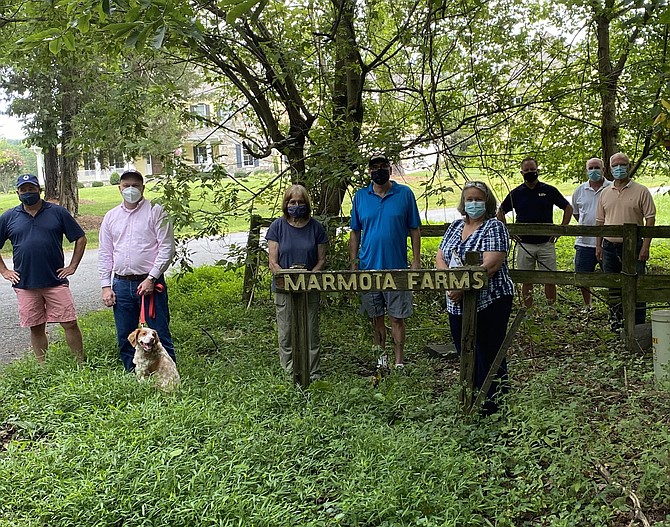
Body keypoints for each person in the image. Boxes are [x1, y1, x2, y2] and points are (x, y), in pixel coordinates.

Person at [436, 181, 514, 414]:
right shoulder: (454, 227)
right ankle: (470, 399)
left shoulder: (494, 227)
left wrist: (462, 286)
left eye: (478, 199)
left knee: (488, 353)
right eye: (469, 199)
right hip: (456, 303)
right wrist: (449, 282)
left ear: (487, 202)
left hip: (490, 301)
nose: (473, 203)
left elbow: (491, 264)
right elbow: (441, 256)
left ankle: (493, 405)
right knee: (465, 352)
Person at [0, 174, 86, 363]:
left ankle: (80, 363)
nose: (28, 193)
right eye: (24, 190)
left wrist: (72, 266)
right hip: (25, 284)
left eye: (31, 189)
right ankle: (43, 366)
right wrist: (5, 271)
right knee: (36, 326)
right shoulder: (8, 217)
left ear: (40, 190)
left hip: (55, 281)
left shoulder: (57, 212)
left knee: (69, 322)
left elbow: (80, 238)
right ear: (17, 193)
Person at [98, 170, 177, 371]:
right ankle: (133, 373)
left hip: (150, 282)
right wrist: (106, 286)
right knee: (126, 334)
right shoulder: (111, 217)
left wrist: (152, 277)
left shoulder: (156, 211)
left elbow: (166, 247)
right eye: (126, 186)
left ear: (143, 187)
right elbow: (105, 253)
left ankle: (167, 373)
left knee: (157, 331)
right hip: (121, 283)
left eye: (135, 185)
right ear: (119, 188)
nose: (131, 189)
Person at [349, 153, 421, 370]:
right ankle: (381, 360)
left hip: (397, 267)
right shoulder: (360, 197)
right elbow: (355, 232)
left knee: (397, 317)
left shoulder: (404, 194)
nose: (378, 170)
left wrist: (416, 261)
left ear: (390, 168)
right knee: (376, 317)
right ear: (369, 171)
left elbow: (415, 229)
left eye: (383, 166)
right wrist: (353, 263)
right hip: (368, 267)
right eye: (374, 167)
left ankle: (399, 361)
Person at [266, 185, 328, 380]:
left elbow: (322, 260)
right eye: (292, 202)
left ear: (306, 204)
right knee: (286, 333)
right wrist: (285, 278)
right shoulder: (277, 226)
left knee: (311, 332)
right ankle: (289, 372)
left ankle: (314, 372)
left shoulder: (316, 227)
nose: (296, 205)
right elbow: (272, 262)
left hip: (309, 287)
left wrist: (308, 278)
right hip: (284, 289)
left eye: (300, 202)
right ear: (286, 204)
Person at [497, 157, 573, 307]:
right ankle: (528, 309)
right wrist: (509, 232)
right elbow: (500, 211)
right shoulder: (516, 193)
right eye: (527, 170)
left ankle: (551, 308)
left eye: (533, 170)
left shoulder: (549, 190)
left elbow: (568, 208)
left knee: (550, 279)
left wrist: (560, 230)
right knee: (527, 280)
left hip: (546, 243)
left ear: (538, 171)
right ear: (522, 172)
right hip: (524, 244)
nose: (530, 173)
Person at [595, 152, 656, 331]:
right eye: (616, 165)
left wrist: (645, 246)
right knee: (613, 285)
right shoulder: (605, 193)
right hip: (608, 246)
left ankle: (637, 325)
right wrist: (598, 245)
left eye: (623, 164)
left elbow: (650, 219)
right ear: (610, 168)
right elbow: (600, 222)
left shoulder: (641, 191)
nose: (619, 168)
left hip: (633, 246)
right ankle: (616, 323)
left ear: (629, 167)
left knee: (636, 284)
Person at [571, 157, 611, 309]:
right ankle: (588, 305)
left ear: (603, 169)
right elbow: (576, 213)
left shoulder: (611, 188)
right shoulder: (579, 190)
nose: (594, 171)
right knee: (582, 277)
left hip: (607, 242)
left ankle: (614, 306)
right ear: (586, 171)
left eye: (597, 168)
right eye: (591, 168)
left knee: (611, 275)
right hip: (584, 243)